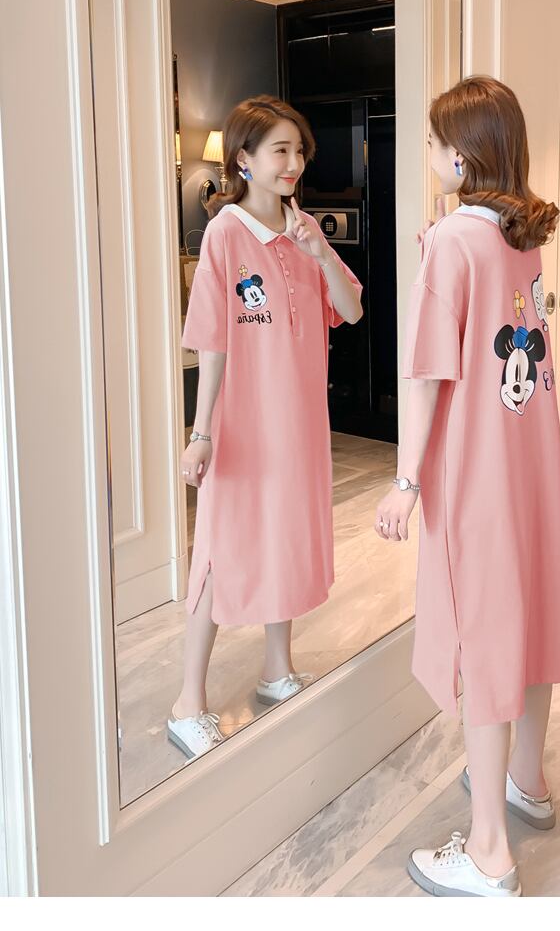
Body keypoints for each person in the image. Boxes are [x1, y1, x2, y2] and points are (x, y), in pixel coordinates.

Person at [374, 75, 560, 898]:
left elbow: (427, 376)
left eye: (431, 142)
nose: (427, 154)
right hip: (533, 467)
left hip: (478, 477)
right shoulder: (521, 236)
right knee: (528, 616)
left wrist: (406, 480)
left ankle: (489, 851)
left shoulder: (453, 242)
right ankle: (528, 780)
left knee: (484, 636)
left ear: (460, 154)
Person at [168, 96, 363, 760]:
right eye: (280, 150)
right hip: (244, 423)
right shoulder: (225, 234)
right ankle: (187, 701)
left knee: (284, 536)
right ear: (243, 160)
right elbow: (213, 340)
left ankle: (277, 668)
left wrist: (320, 251)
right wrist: (201, 431)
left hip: (300, 423)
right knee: (220, 549)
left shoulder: (302, 227)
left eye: (299, 150)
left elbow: (350, 311)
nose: (294, 162)